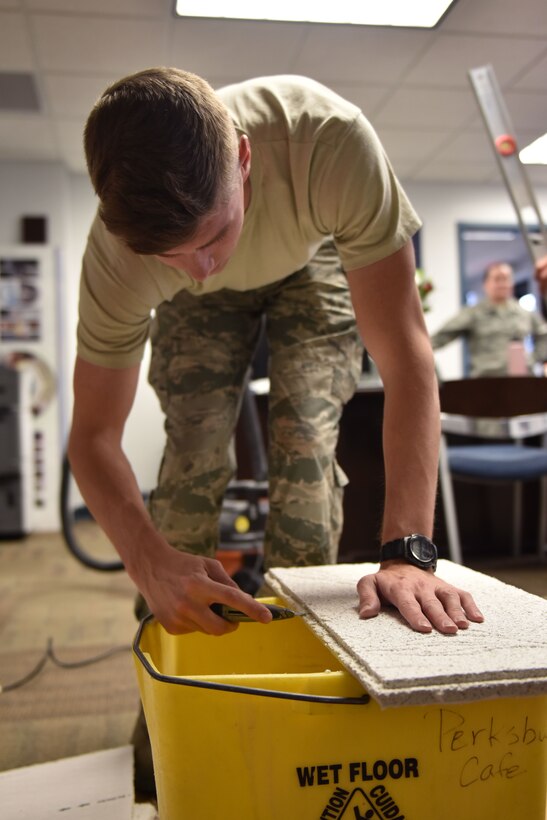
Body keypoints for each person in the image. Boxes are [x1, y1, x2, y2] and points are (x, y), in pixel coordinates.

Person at [69, 69, 485, 636]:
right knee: (194, 452)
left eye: (213, 237)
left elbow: (406, 358)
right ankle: (171, 696)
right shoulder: (120, 260)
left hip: (309, 258)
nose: (200, 271)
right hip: (195, 298)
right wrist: (147, 563)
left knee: (305, 444)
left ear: (244, 158)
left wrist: (408, 554)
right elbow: (92, 436)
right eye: (173, 255)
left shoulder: (329, 142)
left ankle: (299, 665)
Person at [431, 261, 547, 377]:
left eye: (506, 279)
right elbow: (435, 341)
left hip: (521, 379)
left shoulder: (523, 313)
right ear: (486, 284)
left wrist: (532, 360)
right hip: (486, 381)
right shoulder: (473, 314)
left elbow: (544, 335)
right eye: (497, 279)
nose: (502, 284)